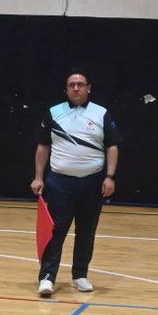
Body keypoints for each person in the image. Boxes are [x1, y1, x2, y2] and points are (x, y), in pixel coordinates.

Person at [29, 70, 122, 297]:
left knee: (86, 231)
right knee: (55, 232)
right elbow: (43, 147)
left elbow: (112, 146)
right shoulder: (54, 113)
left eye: (81, 84)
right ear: (66, 88)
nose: (76, 88)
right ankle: (47, 277)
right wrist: (38, 177)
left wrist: (110, 177)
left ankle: (80, 275)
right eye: (72, 85)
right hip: (60, 183)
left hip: (92, 184)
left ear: (89, 87)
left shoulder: (102, 114)